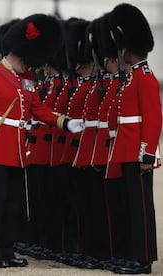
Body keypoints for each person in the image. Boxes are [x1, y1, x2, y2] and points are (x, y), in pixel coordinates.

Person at [0, 14, 84, 268]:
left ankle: (6, 250)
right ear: (19, 52)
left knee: (12, 206)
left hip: (17, 152)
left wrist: (64, 122)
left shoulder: (27, 79)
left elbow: (39, 110)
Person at [105, 3, 162, 274]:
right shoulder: (130, 78)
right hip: (125, 150)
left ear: (129, 49)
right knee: (128, 206)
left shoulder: (146, 78)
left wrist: (147, 155)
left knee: (141, 209)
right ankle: (131, 254)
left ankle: (143, 259)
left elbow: (153, 120)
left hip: (137, 152)